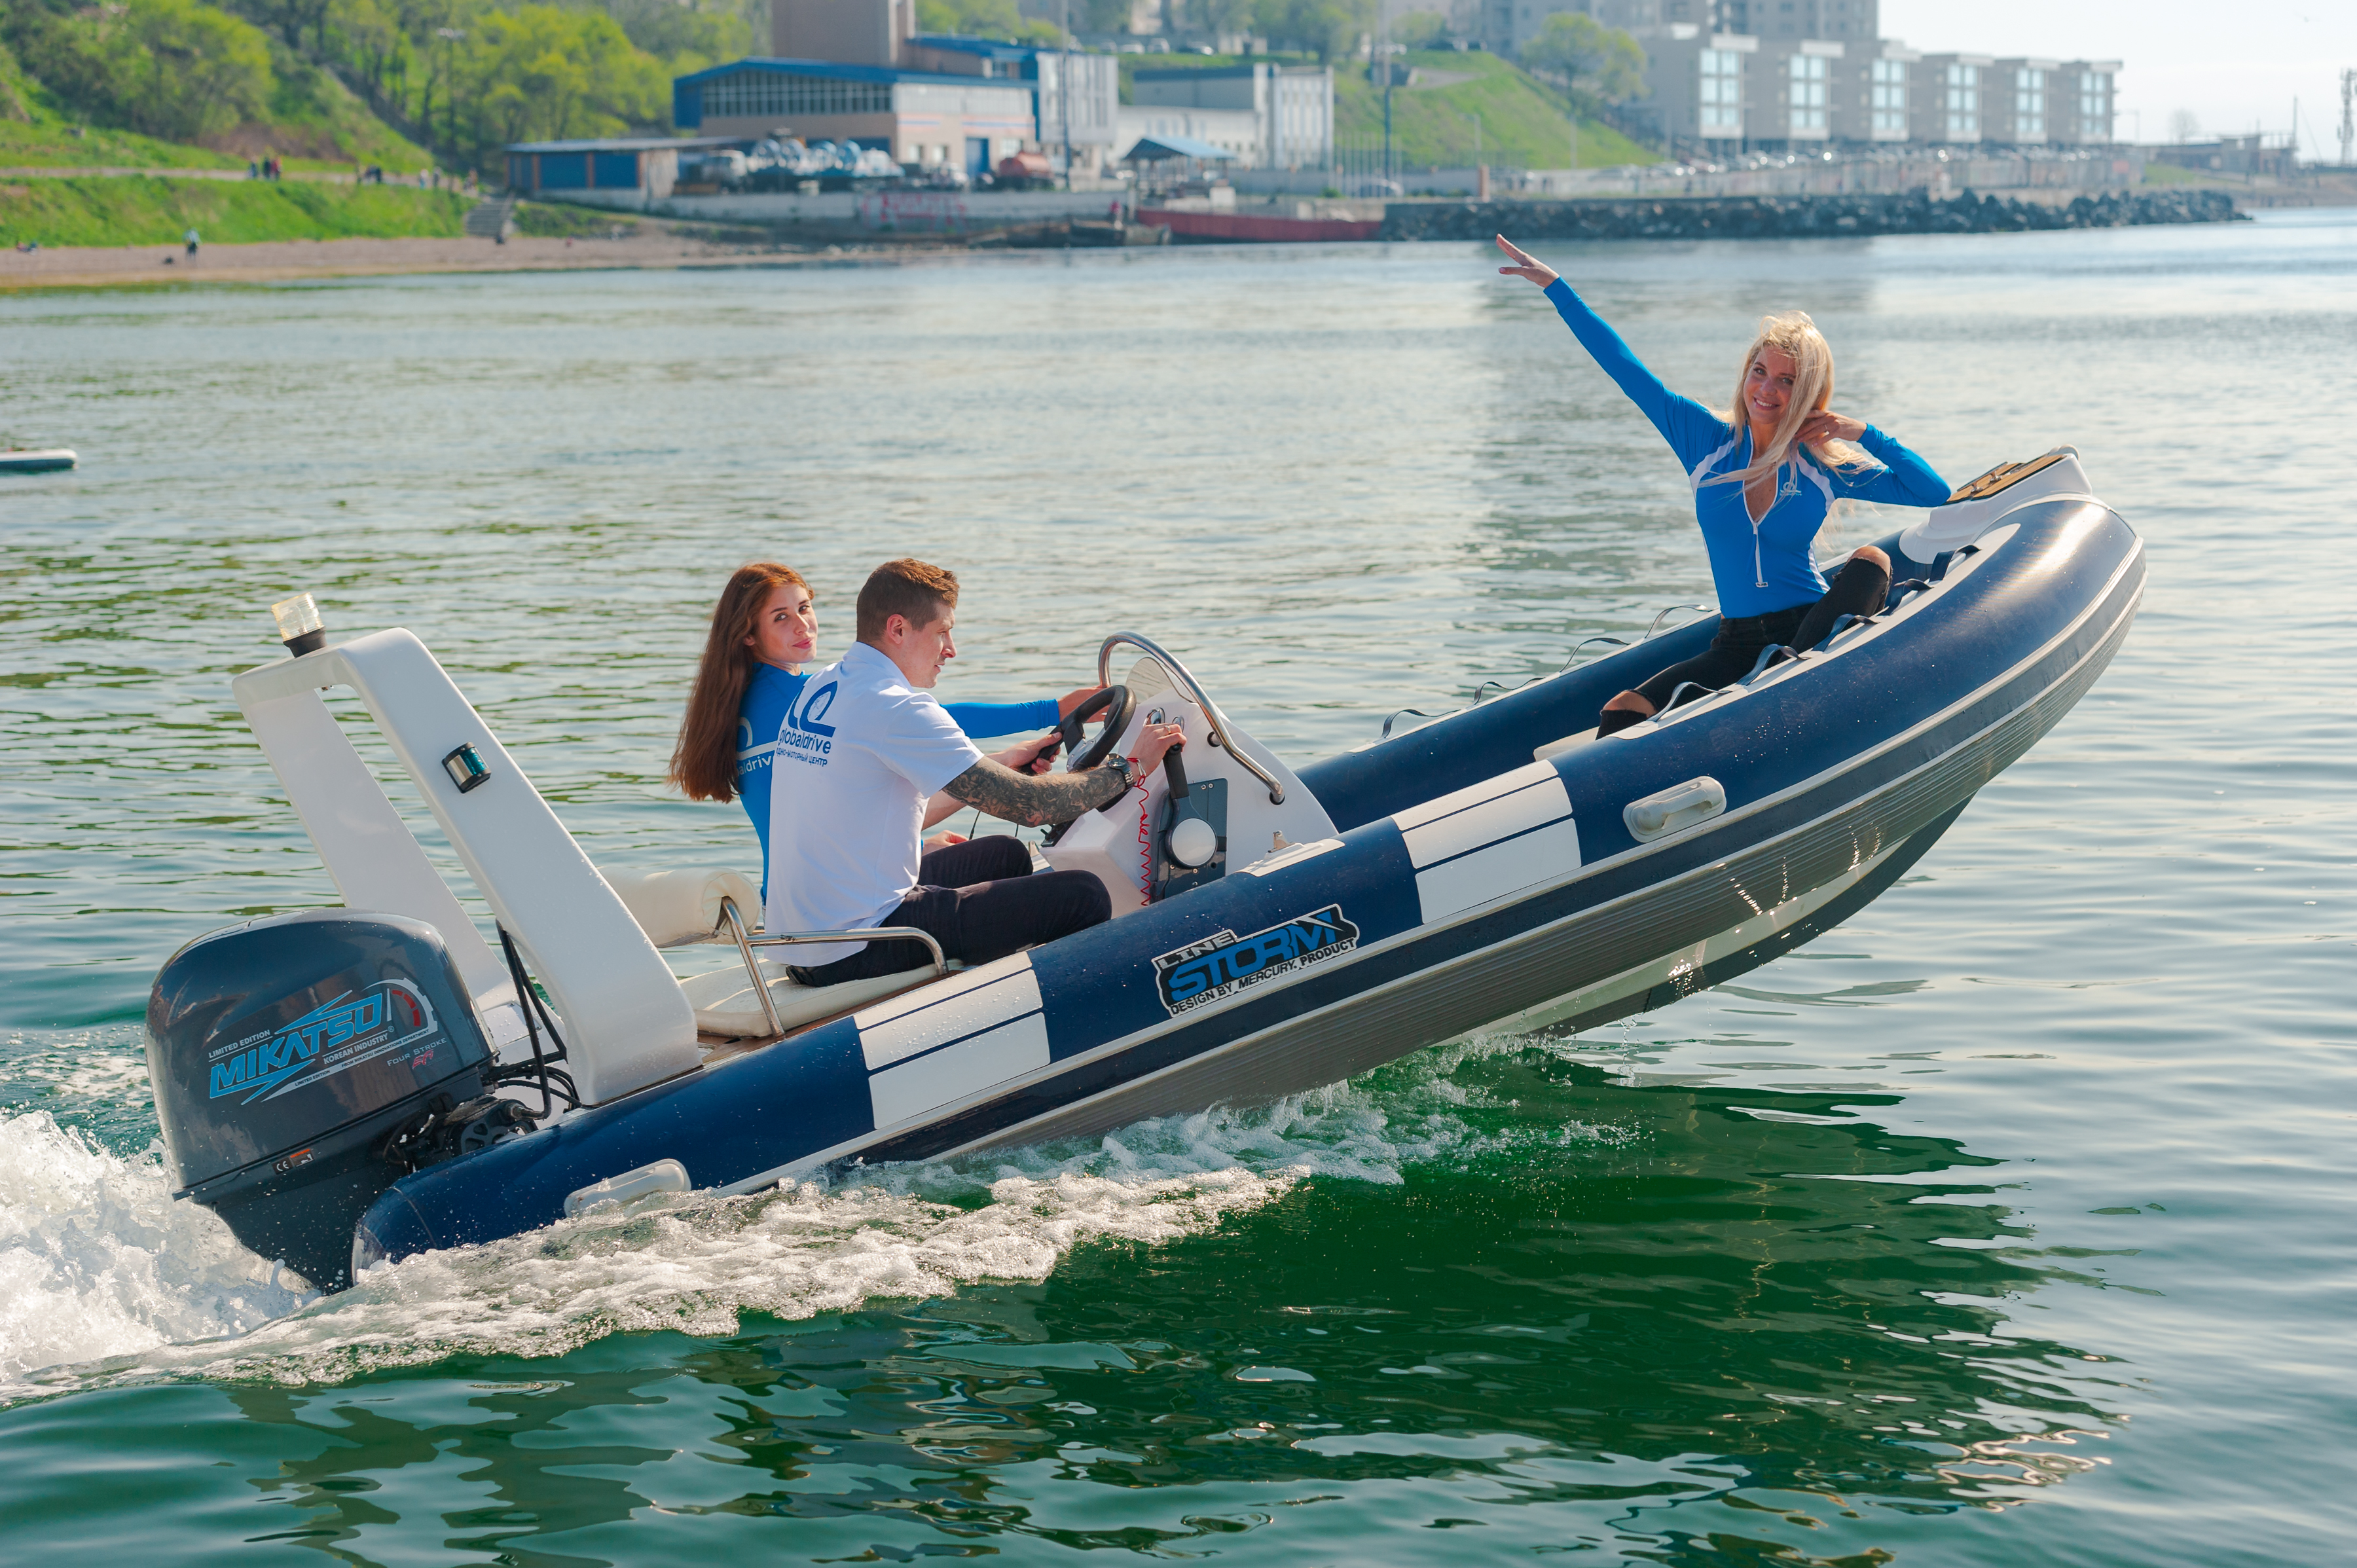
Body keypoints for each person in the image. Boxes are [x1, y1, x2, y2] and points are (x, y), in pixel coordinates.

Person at [1494, 234, 1951, 735]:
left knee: (1872, 561)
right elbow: (1625, 368)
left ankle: (1786, 679)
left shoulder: (1821, 463)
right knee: (1623, 710)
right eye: (1760, 372)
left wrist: (1862, 432)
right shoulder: (1704, 442)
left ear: (1806, 393)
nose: (1766, 389)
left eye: (1785, 380)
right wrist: (1556, 287)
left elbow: (1931, 491)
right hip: (1735, 644)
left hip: (1811, 627)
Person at [764, 558, 1183, 987]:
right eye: (943, 631)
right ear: (898, 629)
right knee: (1085, 894)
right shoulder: (896, 707)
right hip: (855, 946)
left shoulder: (824, 686)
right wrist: (1130, 768)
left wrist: (1001, 763)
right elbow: (1033, 806)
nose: (952, 648)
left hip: (806, 937)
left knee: (1007, 855)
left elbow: (878, 800)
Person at [669, 561, 1101, 895]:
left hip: (798, 894)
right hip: (843, 899)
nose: (802, 624)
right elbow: (926, 717)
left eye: (804, 607)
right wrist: (1052, 707)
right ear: (748, 634)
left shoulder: (749, 702)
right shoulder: (798, 699)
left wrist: (1000, 763)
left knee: (997, 853)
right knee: (1033, 871)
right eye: (781, 617)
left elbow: (844, 816)